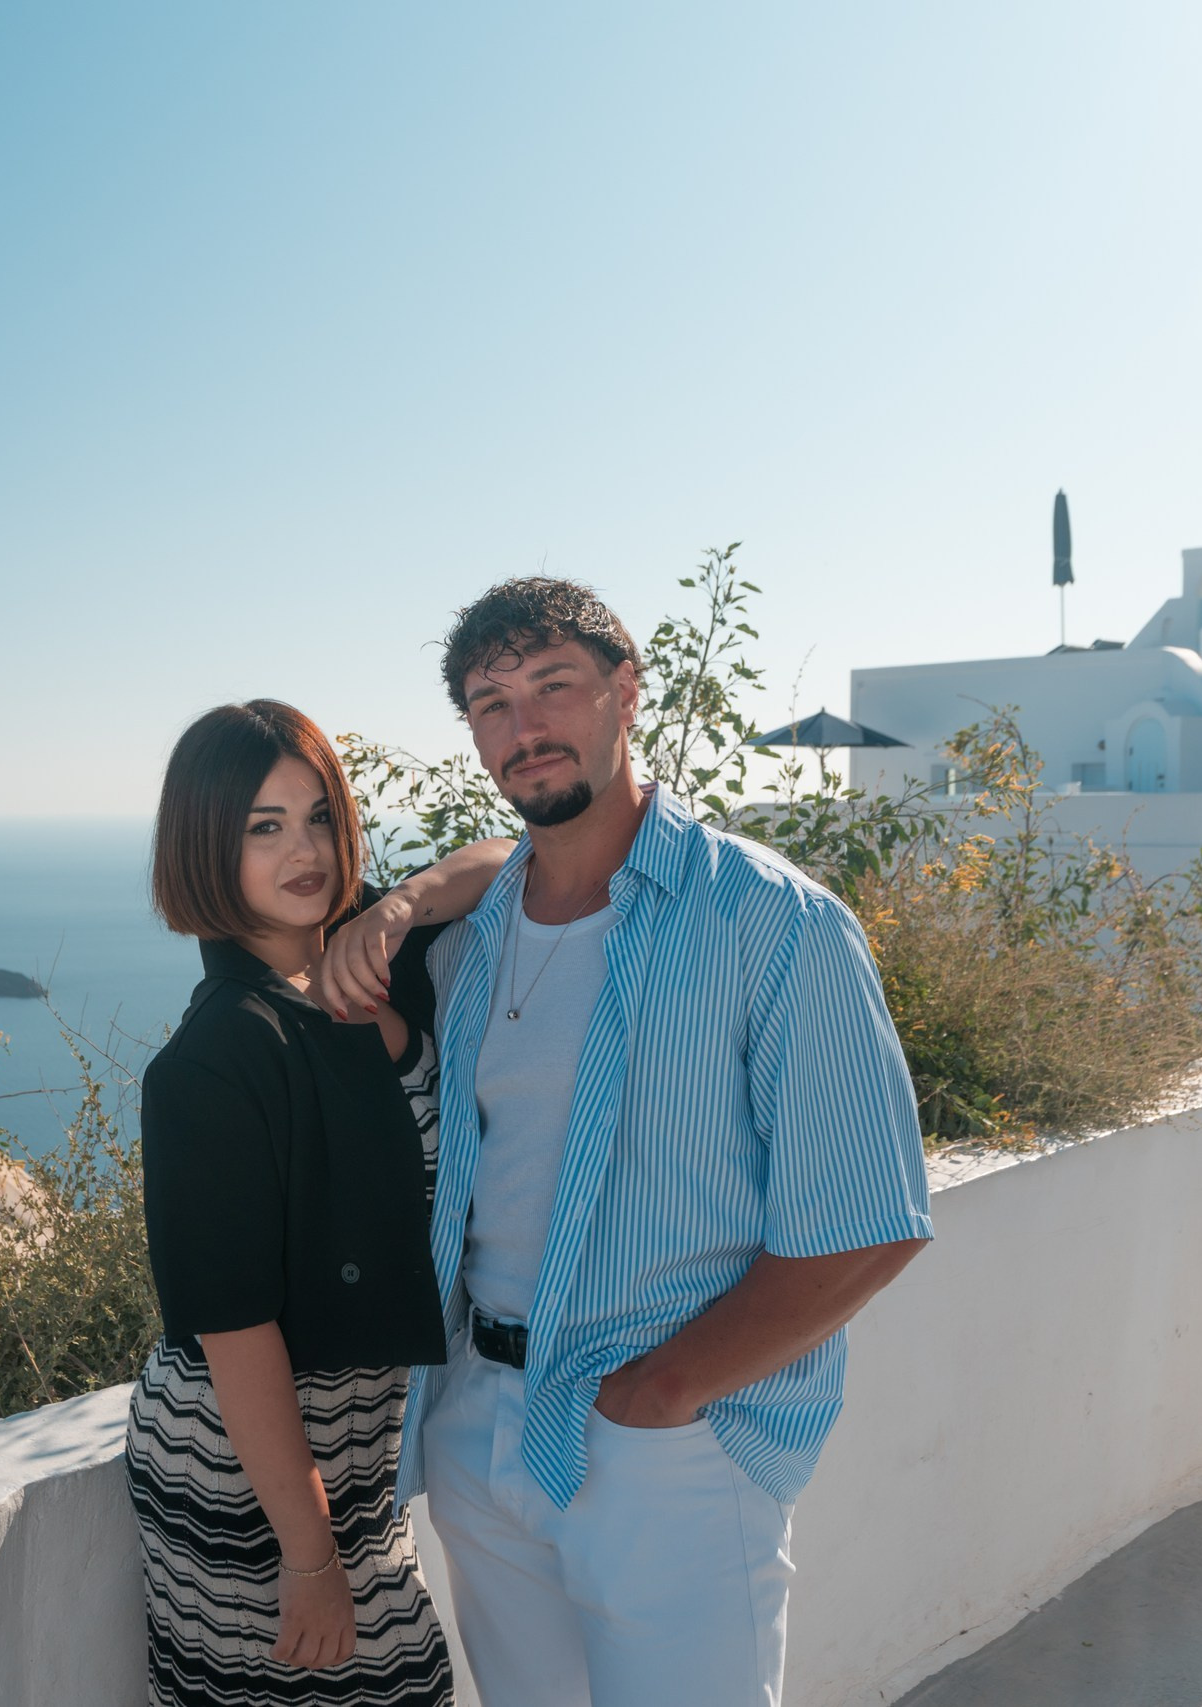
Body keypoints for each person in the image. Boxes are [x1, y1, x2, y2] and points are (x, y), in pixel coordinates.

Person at [401, 579, 935, 1707]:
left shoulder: (770, 922)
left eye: (553, 686)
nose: (523, 726)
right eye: (490, 703)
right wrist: (398, 905)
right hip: (478, 1423)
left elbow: (869, 1220)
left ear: (626, 694)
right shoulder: (470, 945)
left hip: (658, 1446)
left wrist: (665, 1393)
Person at [128, 698, 509, 1707]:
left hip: (357, 1457)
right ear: (207, 846)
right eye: (263, 826)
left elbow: (508, 859)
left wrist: (397, 905)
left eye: (319, 817)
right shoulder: (214, 1061)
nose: (304, 850)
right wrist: (306, 1556)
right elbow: (234, 1329)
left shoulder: (380, 956)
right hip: (247, 1475)